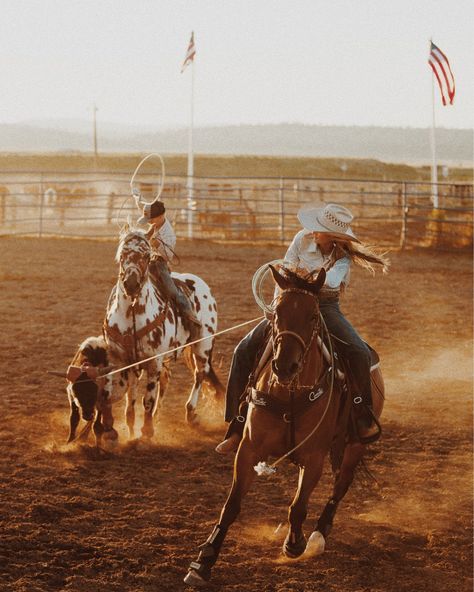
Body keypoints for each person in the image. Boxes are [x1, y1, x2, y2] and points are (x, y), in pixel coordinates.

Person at [215, 202, 389, 454]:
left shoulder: (342, 259)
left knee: (359, 352)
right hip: (290, 302)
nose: (312, 231)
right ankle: (236, 423)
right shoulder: (301, 238)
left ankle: (362, 415)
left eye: (318, 229)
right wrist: (278, 306)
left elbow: (328, 282)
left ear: (334, 236)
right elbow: (285, 270)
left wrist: (299, 275)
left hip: (325, 307)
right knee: (243, 350)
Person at [134, 192, 201, 340]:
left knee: (173, 293)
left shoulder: (168, 234)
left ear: (159, 217)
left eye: (151, 220)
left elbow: (166, 256)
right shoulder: (156, 220)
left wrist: (155, 245)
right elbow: (144, 207)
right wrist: (137, 197)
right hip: (148, 261)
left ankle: (191, 319)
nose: (149, 222)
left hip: (159, 265)